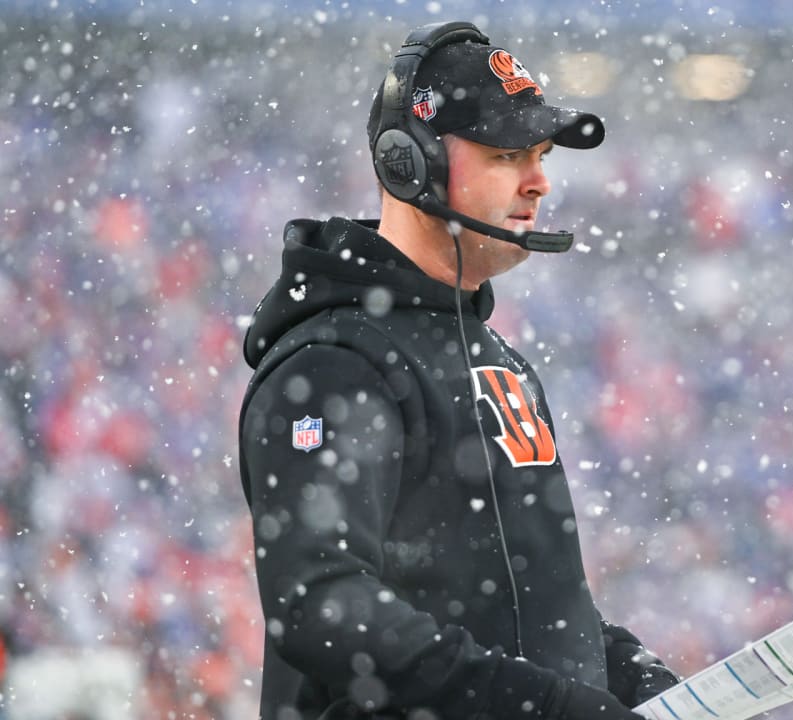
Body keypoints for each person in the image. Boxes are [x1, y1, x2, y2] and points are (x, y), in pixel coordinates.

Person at [237, 21, 679, 720]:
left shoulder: (498, 358)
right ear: (407, 164)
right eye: (507, 155)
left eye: (539, 154)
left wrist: (634, 678)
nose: (539, 182)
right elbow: (323, 603)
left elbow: (526, 607)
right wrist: (549, 707)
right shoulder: (334, 366)